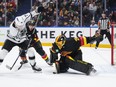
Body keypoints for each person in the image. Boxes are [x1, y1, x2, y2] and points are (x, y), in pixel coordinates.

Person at [0, 5, 46, 71]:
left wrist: (37, 10)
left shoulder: (22, 18)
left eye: (21, 25)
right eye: (19, 26)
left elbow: (31, 14)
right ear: (15, 23)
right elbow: (21, 36)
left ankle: (33, 65)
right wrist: (28, 36)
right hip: (11, 40)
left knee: (31, 51)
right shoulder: (13, 30)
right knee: (3, 53)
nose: (20, 27)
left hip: (21, 40)